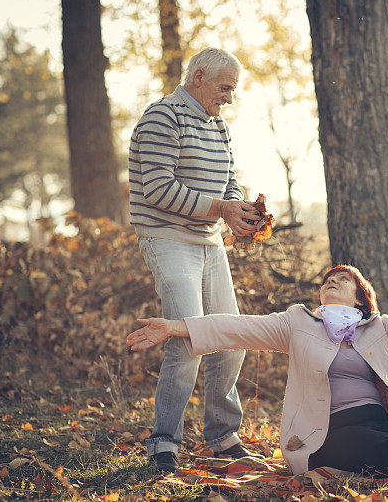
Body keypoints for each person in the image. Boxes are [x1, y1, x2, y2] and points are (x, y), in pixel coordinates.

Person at [126, 252, 388, 478]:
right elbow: (237, 328)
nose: (329, 282)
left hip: (379, 420)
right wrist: (176, 326)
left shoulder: (378, 328)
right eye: (326, 280)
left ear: (360, 297)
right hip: (326, 435)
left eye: (341, 278)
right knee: (364, 445)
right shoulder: (298, 323)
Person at [128, 47, 264, 473]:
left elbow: (230, 180)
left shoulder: (219, 125)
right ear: (199, 76)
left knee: (230, 336)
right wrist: (220, 210)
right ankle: (164, 444)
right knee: (188, 340)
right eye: (225, 88)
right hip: (167, 238)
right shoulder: (161, 117)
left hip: (208, 242)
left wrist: (239, 212)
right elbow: (157, 188)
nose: (229, 98)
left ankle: (223, 436)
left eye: (233, 91)